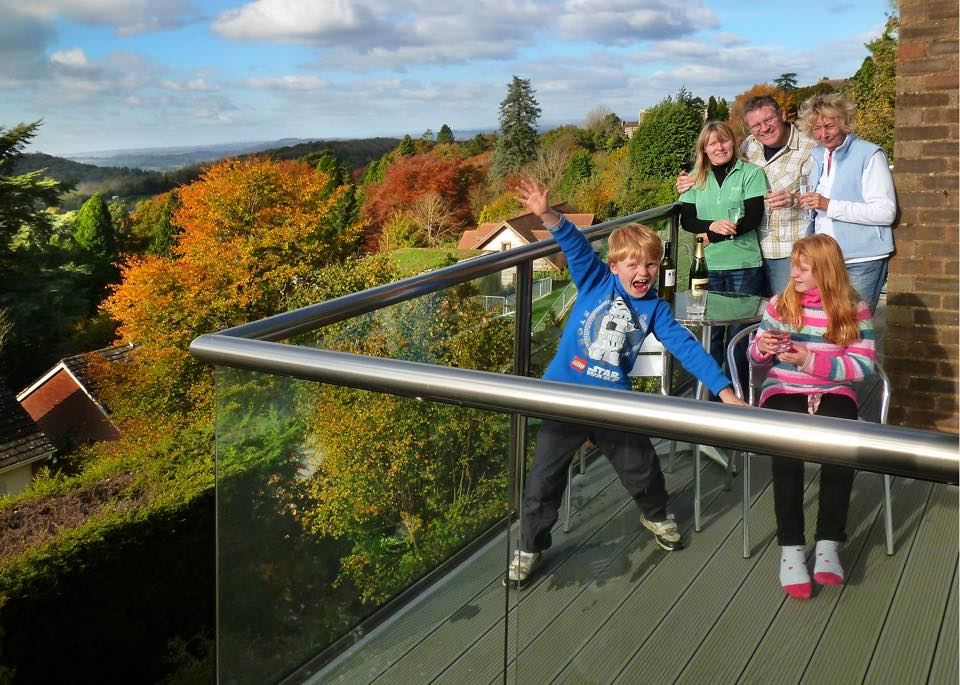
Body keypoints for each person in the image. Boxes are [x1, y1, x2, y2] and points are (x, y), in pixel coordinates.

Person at [506, 178, 747, 585]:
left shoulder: (654, 309)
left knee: (641, 466)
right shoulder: (595, 281)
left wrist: (725, 392)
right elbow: (576, 247)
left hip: (614, 404)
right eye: (633, 265)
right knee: (543, 481)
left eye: (650, 265)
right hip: (563, 398)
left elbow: (687, 349)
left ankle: (655, 514)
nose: (643, 272)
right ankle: (529, 545)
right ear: (615, 267)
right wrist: (547, 214)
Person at [749, 234, 876, 599]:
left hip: (834, 391)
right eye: (794, 266)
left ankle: (828, 543)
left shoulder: (854, 308)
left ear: (826, 271)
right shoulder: (779, 304)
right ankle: (790, 548)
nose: (795, 274)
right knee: (786, 451)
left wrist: (810, 360)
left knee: (840, 448)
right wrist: (762, 347)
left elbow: (863, 364)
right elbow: (757, 360)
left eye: (804, 268)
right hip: (783, 388)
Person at [677, 96, 816, 296]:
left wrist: (712, 235)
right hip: (744, 250)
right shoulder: (751, 146)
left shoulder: (810, 148)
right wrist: (683, 183)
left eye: (768, 120)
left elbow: (824, 191)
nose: (764, 128)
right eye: (756, 125)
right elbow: (687, 219)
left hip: (787, 249)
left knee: (785, 312)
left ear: (783, 115)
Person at [678, 120, 767, 378]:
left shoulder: (751, 173)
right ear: (704, 149)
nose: (719, 147)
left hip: (744, 265)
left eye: (724, 140)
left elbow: (752, 218)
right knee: (711, 335)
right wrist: (712, 225)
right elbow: (688, 220)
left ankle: (738, 394)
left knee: (739, 336)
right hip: (707, 267)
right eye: (712, 143)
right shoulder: (694, 179)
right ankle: (715, 394)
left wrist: (713, 236)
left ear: (733, 142)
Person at [795, 94, 896, 314]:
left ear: (843, 122)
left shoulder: (869, 154)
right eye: (816, 128)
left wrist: (828, 205)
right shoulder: (818, 154)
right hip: (824, 259)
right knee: (826, 325)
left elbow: (885, 212)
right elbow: (821, 203)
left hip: (861, 258)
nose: (823, 134)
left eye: (829, 126)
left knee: (854, 327)